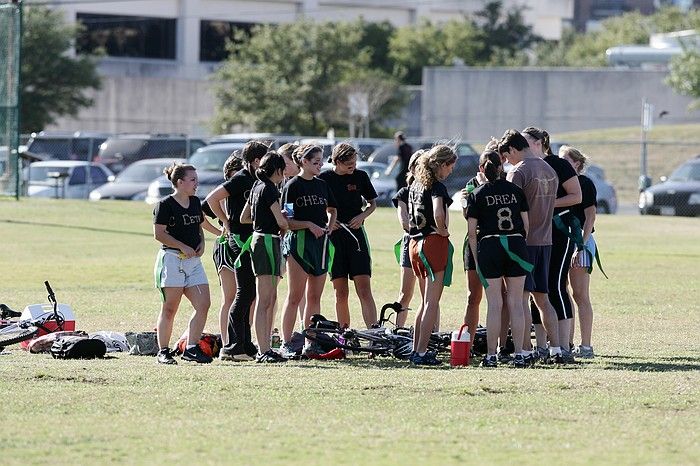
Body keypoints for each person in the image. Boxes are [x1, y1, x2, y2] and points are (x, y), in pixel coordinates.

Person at [498, 129, 564, 364]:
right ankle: (557, 349)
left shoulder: (518, 172)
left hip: (523, 243)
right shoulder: (549, 169)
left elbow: (512, 210)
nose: (507, 162)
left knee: (520, 299)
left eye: (507, 157)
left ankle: (525, 350)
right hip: (545, 241)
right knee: (543, 300)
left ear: (513, 150)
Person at [466, 151, 531, 368]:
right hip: (515, 244)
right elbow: (526, 226)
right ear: (501, 167)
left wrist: (476, 257)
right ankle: (520, 354)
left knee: (494, 303)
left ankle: (491, 355)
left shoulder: (477, 193)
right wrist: (520, 245)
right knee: (516, 303)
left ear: (482, 169)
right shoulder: (516, 190)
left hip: (490, 245)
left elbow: (472, 232)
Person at [522, 127, 581, 363]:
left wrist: (547, 204)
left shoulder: (558, 164)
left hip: (559, 230)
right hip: (536, 233)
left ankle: (564, 344)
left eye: (527, 142)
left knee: (554, 285)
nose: (524, 147)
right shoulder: (526, 168)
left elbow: (576, 196)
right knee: (536, 290)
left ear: (539, 143)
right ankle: (543, 346)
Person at [207, 140, 268, 361]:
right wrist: (226, 223)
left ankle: (245, 343)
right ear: (255, 161)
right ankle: (232, 347)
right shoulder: (240, 178)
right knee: (244, 292)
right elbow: (212, 199)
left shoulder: (258, 179)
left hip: (253, 239)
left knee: (250, 293)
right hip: (240, 241)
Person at [278, 144, 337, 358]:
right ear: (304, 162)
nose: (320, 165)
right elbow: (288, 221)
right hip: (300, 243)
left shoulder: (322, 185)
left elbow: (332, 209)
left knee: (315, 296)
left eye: (321, 161)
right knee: (295, 296)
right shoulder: (293, 185)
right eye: (316, 161)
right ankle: (286, 342)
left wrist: (330, 224)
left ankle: (310, 342)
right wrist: (309, 225)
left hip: (320, 244)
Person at [152, 163, 212, 365]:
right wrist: (182, 246)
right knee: (170, 308)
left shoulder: (195, 201)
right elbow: (159, 234)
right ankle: (163, 351)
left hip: (193, 263)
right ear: (180, 182)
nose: (197, 183)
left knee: (203, 304)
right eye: (193, 179)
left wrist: (203, 242)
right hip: (172, 261)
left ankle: (191, 348)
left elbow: (200, 224)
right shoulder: (165, 204)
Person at [319, 142, 378, 329]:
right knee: (340, 293)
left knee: (364, 290)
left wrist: (362, 216)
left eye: (354, 161)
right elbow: (319, 208)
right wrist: (328, 221)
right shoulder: (324, 178)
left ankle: (374, 335)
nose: (353, 166)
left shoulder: (361, 176)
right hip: (335, 238)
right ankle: (345, 336)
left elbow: (372, 204)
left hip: (356, 238)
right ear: (337, 161)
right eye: (348, 163)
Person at [407, 144, 456, 366]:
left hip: (414, 243)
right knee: (432, 303)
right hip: (432, 243)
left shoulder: (416, 184)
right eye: (450, 167)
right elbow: (438, 211)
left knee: (424, 301)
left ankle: (416, 348)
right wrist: (443, 230)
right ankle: (421, 351)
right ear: (442, 165)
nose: (451, 172)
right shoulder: (437, 186)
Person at [240, 151, 289, 363]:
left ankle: (265, 347)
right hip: (268, 241)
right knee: (265, 299)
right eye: (283, 171)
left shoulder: (256, 187)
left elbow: (244, 217)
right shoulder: (270, 189)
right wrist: (283, 221)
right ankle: (264, 350)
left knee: (266, 299)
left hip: (257, 239)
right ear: (277, 170)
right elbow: (282, 222)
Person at [560, 145, 598, 359]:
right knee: (562, 292)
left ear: (577, 164)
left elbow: (590, 217)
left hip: (579, 241)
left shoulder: (585, 183)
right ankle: (567, 342)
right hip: (561, 240)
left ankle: (586, 346)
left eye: (566, 160)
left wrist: (580, 245)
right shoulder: (559, 183)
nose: (562, 163)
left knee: (580, 295)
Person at [204, 152, 243, 349]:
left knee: (246, 297)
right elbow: (201, 213)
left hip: (243, 244)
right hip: (226, 246)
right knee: (229, 297)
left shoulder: (247, 190)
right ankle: (227, 342)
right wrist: (220, 229)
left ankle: (243, 340)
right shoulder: (222, 193)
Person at [390, 150, 424, 327]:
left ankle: (433, 333)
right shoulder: (404, 192)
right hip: (410, 241)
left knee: (429, 296)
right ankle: (398, 331)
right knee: (405, 293)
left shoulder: (432, 191)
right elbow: (403, 221)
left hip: (429, 243)